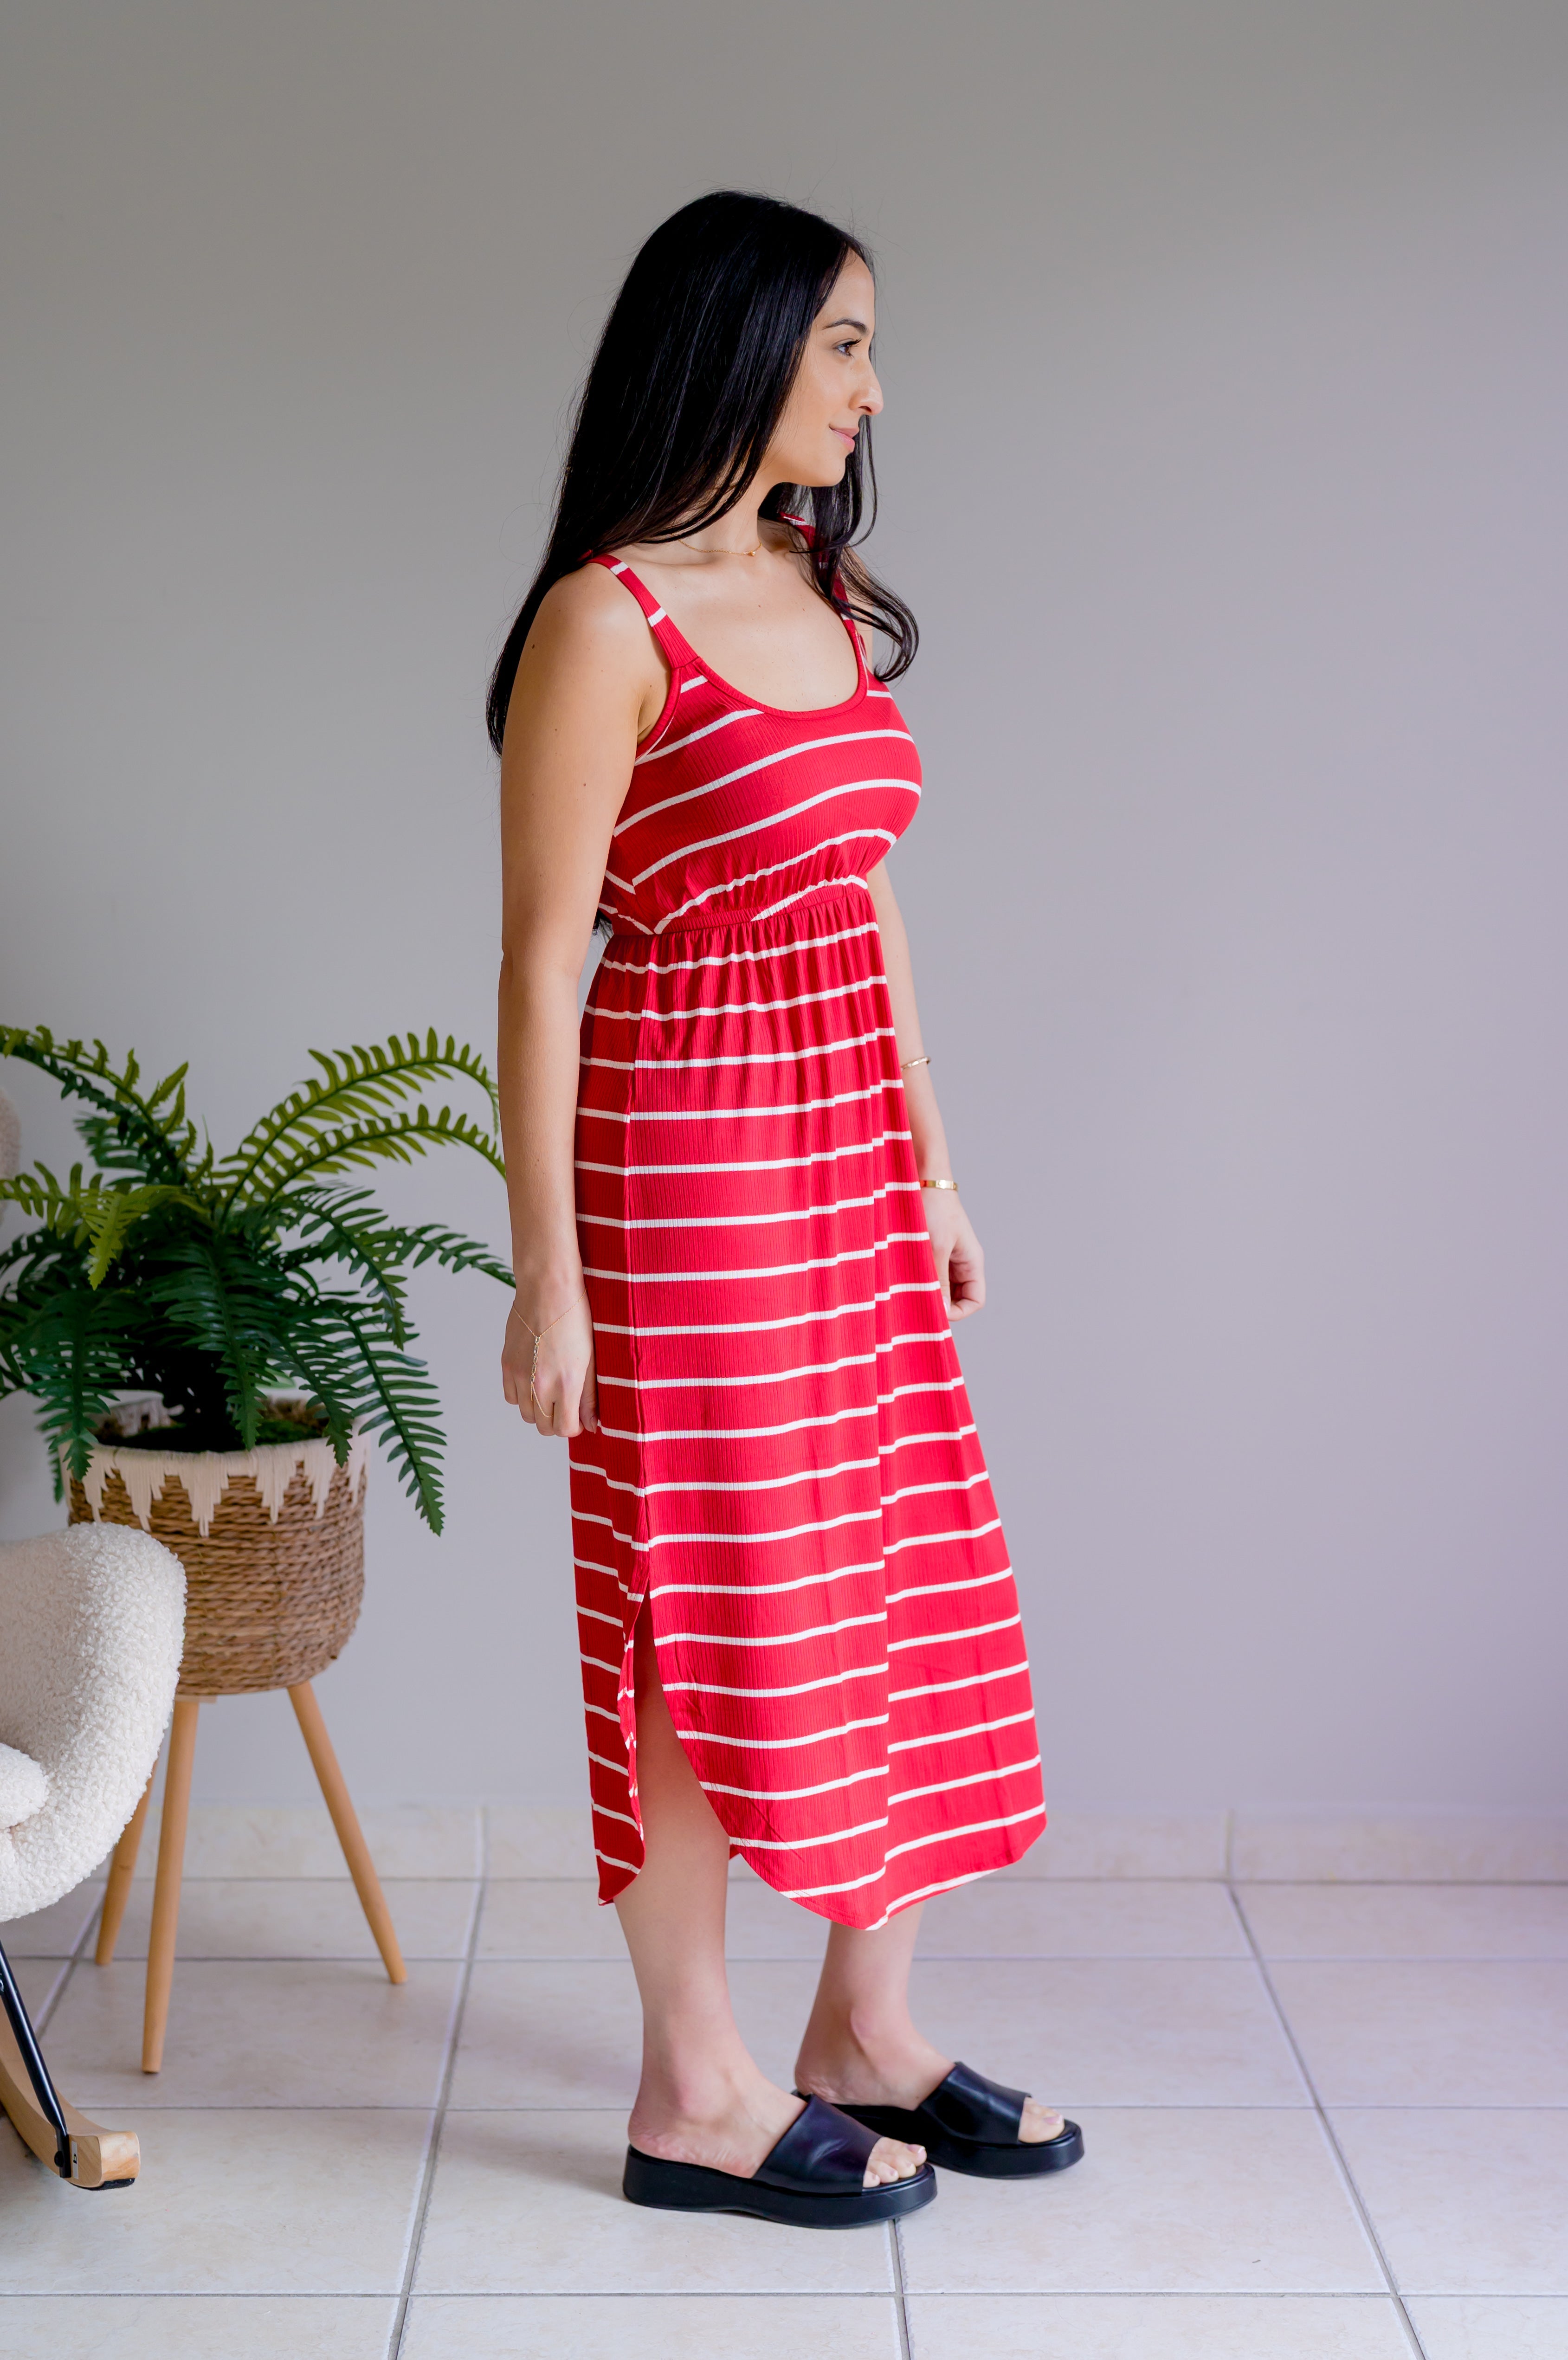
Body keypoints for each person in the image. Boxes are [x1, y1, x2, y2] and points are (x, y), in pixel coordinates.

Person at [492, 190, 1081, 2228]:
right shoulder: (606, 622)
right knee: (703, 1598)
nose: (873, 389)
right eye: (842, 343)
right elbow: (540, 961)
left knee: (890, 1563)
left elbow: (865, 900)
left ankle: (861, 2032)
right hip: (688, 1157)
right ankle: (691, 2087)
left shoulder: (819, 585)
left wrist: (934, 1165)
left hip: (845, 1155)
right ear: (732, 345)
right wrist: (549, 1274)